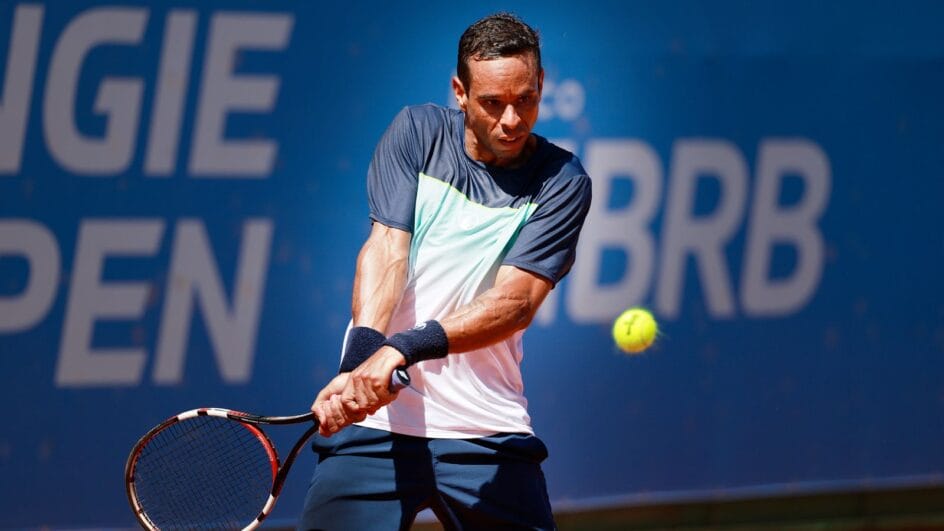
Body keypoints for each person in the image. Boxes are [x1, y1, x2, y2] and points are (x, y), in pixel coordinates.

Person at [297, 12, 592, 531]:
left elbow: (516, 302)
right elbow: (387, 249)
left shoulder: (562, 181)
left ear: (542, 84)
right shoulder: (417, 132)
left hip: (485, 426)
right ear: (460, 92)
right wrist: (361, 361)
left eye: (525, 99)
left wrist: (401, 349)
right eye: (492, 102)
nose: (512, 120)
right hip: (377, 428)